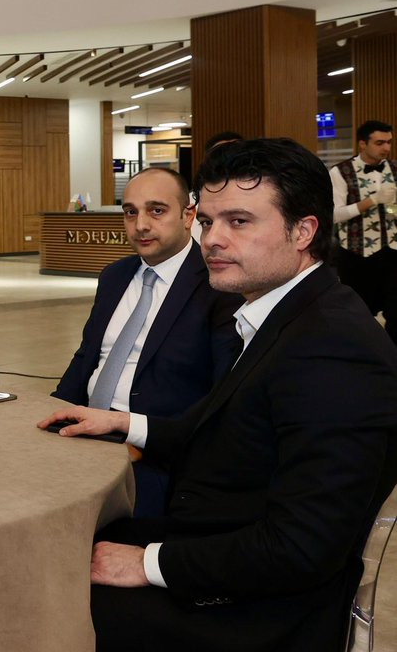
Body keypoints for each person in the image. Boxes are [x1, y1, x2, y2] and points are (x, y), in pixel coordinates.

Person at [39, 139, 397, 652]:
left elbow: (303, 547)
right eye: (207, 222)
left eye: (239, 222)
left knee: (44, 599)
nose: (211, 240)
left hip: (259, 608)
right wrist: (124, 423)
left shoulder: (334, 346)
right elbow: (223, 426)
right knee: (52, 550)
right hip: (222, 541)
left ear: (303, 231)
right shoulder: (284, 312)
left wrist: (147, 563)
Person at [53, 167, 241, 517]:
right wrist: (52, 413)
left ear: (189, 216)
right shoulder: (115, 276)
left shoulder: (218, 285)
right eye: (130, 212)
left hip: (155, 452)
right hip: (85, 432)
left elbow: (222, 399)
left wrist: (140, 439)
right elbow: (86, 357)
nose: (141, 225)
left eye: (157, 210)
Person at [330, 120, 397, 345]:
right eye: (379, 143)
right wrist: (372, 200)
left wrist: (393, 207)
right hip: (357, 255)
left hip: (393, 252)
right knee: (358, 316)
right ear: (362, 144)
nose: (386, 148)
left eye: (389, 142)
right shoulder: (341, 171)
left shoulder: (395, 168)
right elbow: (334, 215)